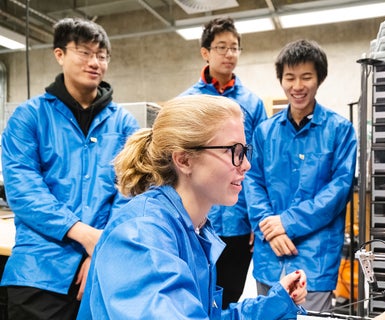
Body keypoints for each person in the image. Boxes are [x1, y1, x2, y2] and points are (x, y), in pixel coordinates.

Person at [77, 94, 307, 319]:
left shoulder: (193, 229)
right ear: (184, 160)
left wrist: (277, 304)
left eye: (245, 151)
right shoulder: (142, 235)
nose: (246, 165)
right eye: (233, 152)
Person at [0, 17, 139, 320]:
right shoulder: (29, 117)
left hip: (106, 266)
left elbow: (131, 191)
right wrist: (86, 236)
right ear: (59, 54)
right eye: (85, 52)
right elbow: (24, 190)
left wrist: (102, 249)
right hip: (38, 270)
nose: (95, 62)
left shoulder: (125, 124)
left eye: (101, 56)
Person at [244, 39, 358, 313]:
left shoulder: (340, 130)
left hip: (314, 259)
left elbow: (339, 190)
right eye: (290, 77)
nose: (297, 86)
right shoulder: (264, 132)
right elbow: (252, 182)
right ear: (281, 79)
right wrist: (270, 230)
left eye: (306, 77)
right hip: (269, 254)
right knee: (267, 316)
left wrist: (286, 222)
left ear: (319, 79)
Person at [180, 16, 267, 308]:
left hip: (237, 220)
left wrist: (255, 218)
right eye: (221, 47)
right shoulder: (187, 101)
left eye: (234, 47)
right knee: (192, 293)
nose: (229, 54)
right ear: (205, 52)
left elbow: (257, 164)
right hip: (194, 218)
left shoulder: (252, 104)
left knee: (230, 295)